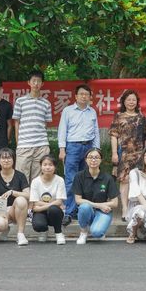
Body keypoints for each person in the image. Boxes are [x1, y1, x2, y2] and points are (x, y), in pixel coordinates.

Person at [57, 84, 100, 226]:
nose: (84, 96)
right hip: (73, 147)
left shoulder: (92, 111)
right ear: (75, 96)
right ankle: (69, 212)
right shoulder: (68, 111)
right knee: (71, 180)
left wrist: (96, 150)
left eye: (86, 94)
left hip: (88, 147)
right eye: (81, 94)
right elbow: (62, 130)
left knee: (86, 180)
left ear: (90, 97)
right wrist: (62, 149)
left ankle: (82, 210)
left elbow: (96, 131)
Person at [110, 89, 146, 221]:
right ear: (124, 101)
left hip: (139, 154)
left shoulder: (141, 117)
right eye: (128, 100)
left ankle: (137, 208)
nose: (131, 102)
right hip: (124, 153)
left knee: (139, 180)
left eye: (133, 100)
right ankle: (125, 208)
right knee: (124, 180)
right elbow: (114, 136)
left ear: (137, 102)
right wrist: (114, 153)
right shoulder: (119, 116)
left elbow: (145, 137)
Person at [12, 70, 53, 182]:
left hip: (41, 145)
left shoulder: (46, 103)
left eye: (38, 81)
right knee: (21, 177)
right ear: (28, 82)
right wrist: (18, 143)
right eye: (33, 81)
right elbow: (16, 123)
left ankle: (35, 195)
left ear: (42, 84)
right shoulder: (20, 101)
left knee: (38, 179)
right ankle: (22, 195)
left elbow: (45, 125)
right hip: (24, 145)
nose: (36, 83)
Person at [74, 148, 119, 244]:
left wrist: (101, 206)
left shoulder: (108, 178)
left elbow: (115, 203)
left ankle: (97, 227)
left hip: (103, 211)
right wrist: (99, 205)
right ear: (86, 160)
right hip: (88, 209)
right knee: (84, 207)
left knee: (97, 233)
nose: (93, 160)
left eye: (96, 157)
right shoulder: (79, 176)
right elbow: (78, 200)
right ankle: (83, 232)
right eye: (90, 157)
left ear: (101, 160)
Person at [0, 148, 30, 246]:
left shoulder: (20, 176)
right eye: (3, 158)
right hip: (0, 211)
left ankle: (20, 234)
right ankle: (5, 228)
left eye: (9, 158)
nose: (6, 160)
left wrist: (13, 192)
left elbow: (28, 195)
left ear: (13, 160)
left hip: (15, 210)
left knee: (21, 200)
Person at [29, 156, 67, 245]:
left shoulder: (60, 180)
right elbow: (35, 203)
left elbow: (59, 201)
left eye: (50, 165)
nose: (47, 167)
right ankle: (44, 231)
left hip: (54, 211)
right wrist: (53, 204)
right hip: (41, 212)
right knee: (38, 225)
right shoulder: (35, 181)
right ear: (41, 166)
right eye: (45, 165)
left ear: (55, 167)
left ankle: (59, 233)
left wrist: (39, 207)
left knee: (53, 209)